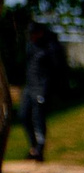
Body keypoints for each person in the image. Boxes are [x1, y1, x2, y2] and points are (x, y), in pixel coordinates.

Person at [17, 22, 64, 162]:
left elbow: (57, 70)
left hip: (42, 88)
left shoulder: (51, 47)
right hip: (29, 86)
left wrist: (50, 89)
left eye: (33, 33)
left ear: (40, 33)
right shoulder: (30, 46)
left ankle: (39, 149)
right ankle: (33, 146)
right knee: (23, 115)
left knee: (38, 118)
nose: (31, 36)